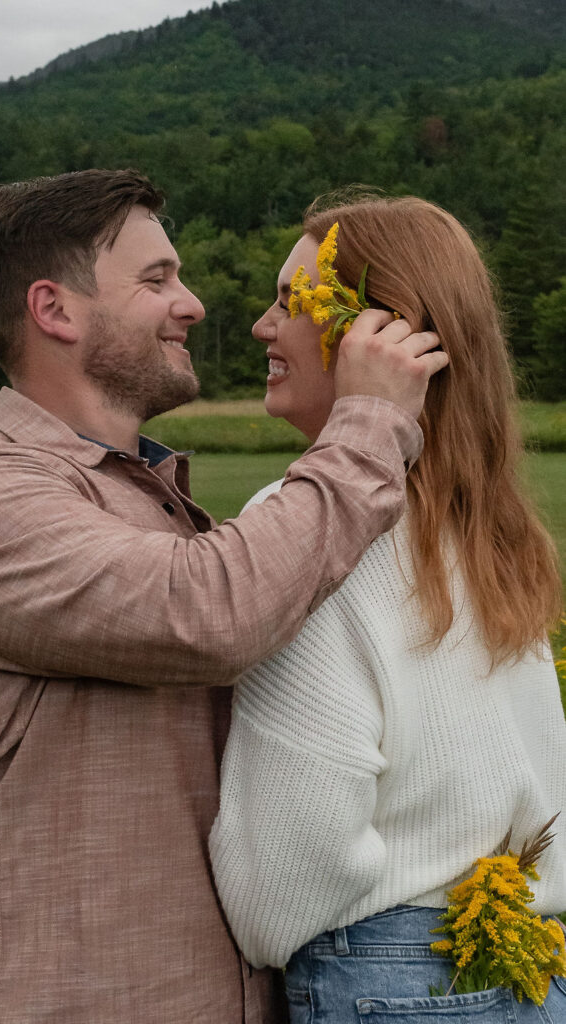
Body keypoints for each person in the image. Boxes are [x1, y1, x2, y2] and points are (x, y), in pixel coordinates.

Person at [0, 170, 448, 1024]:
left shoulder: (151, 501)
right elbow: (207, 615)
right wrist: (369, 424)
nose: (194, 306)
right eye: (156, 280)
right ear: (55, 310)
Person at [209, 193, 566, 1022]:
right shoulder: (494, 533)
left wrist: (258, 927)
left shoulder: (307, 532)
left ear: (380, 336)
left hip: (385, 979)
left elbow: (290, 868)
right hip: (529, 970)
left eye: (290, 301)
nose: (263, 326)